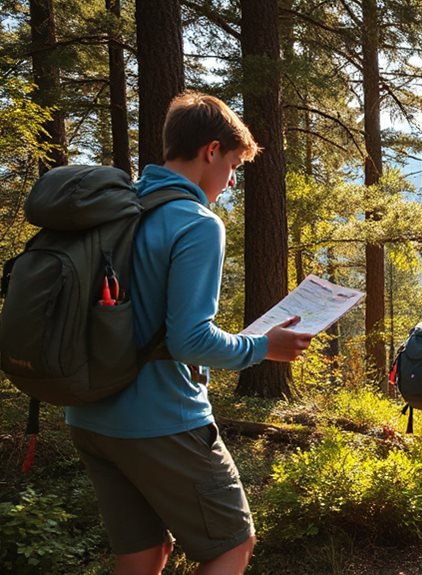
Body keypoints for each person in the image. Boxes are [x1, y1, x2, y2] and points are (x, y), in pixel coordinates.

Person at [65, 91, 314, 575]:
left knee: (142, 555)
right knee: (231, 546)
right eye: (235, 164)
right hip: (161, 418)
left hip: (90, 415)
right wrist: (265, 347)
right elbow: (189, 341)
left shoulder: (116, 209)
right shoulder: (196, 223)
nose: (232, 179)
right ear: (211, 150)